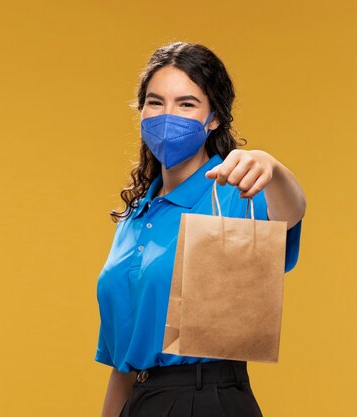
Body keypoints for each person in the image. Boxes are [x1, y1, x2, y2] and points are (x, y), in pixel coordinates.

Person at [95, 41, 306, 417]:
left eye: (186, 104)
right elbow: (122, 366)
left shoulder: (235, 193)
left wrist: (271, 168)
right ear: (141, 111)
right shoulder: (135, 218)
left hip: (204, 399)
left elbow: (289, 212)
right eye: (155, 102)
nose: (166, 115)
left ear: (214, 118)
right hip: (140, 402)